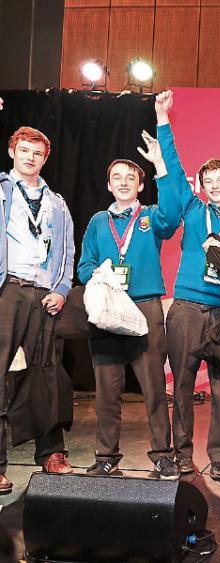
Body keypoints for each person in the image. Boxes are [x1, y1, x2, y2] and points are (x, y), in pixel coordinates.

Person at [155, 91, 220, 480]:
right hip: (187, 310)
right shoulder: (194, 211)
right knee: (181, 385)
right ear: (202, 185)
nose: (214, 185)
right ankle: (182, 454)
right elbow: (174, 169)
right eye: (207, 180)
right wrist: (163, 120)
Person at [77, 136, 181, 478]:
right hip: (108, 308)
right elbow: (83, 265)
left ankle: (162, 454)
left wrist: (160, 165)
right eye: (117, 178)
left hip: (145, 307)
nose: (123, 183)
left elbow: (173, 215)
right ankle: (106, 455)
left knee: (153, 387)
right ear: (109, 185)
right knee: (107, 390)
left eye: (131, 178)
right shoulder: (97, 221)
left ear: (140, 186)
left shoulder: (150, 217)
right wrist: (98, 274)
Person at [0, 123, 75, 494]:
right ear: (12, 152)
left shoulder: (56, 203)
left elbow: (68, 251)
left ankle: (51, 453)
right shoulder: (1, 191)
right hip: (7, 290)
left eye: (38, 153)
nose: (30, 158)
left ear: (46, 159)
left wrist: (61, 289)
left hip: (44, 294)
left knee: (47, 373)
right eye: (24, 151)